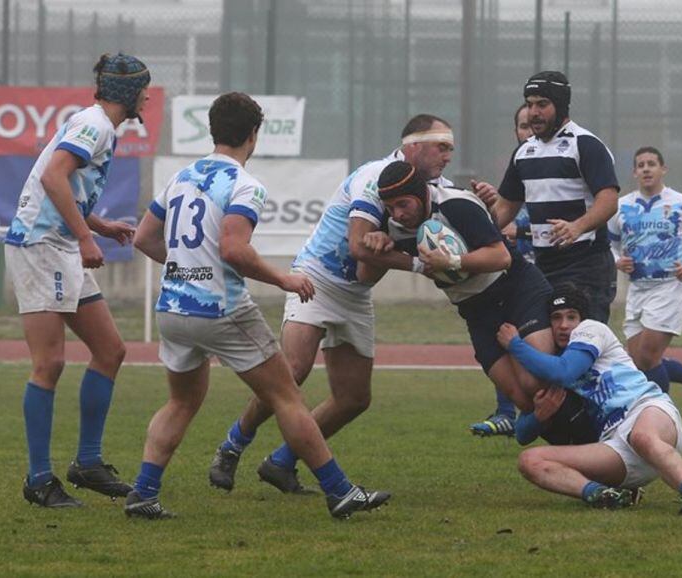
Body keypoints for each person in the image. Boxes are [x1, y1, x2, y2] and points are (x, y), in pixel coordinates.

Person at [127, 92, 389, 519]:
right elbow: (234, 249)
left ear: (213, 130)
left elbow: (143, 238)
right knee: (287, 397)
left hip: (173, 308)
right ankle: (340, 492)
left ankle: (143, 493)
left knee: (181, 402)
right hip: (220, 309)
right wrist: (283, 278)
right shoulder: (244, 184)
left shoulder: (181, 178)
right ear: (253, 134)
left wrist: (187, 267)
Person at [207, 115, 498, 494]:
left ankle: (281, 462)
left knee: (354, 398)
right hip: (316, 278)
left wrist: (490, 207)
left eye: (451, 149)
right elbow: (360, 245)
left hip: (356, 293)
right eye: (441, 147)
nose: (448, 156)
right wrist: (417, 263)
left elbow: (460, 236)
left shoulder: (435, 190)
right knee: (292, 371)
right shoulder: (375, 177)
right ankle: (232, 446)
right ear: (413, 146)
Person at [4, 53, 149, 508]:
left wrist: (98, 225)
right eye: (144, 89)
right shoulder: (95, 124)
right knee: (49, 363)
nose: (147, 97)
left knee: (111, 350)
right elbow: (53, 176)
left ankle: (87, 463)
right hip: (41, 245)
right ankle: (39, 480)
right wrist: (87, 237)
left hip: (61, 244)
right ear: (129, 92)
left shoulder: (97, 124)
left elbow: (66, 185)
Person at [496, 283, 682, 515]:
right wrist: (538, 416)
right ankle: (603, 494)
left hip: (647, 410)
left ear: (582, 319)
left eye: (571, 316)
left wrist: (515, 345)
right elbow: (522, 435)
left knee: (642, 437)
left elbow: (563, 372)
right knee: (530, 460)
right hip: (615, 444)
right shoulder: (548, 361)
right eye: (556, 318)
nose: (564, 325)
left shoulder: (591, 330)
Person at [358, 160, 555, 414]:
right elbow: (364, 274)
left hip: (516, 288)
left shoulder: (457, 204)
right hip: (476, 310)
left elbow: (501, 257)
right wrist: (378, 245)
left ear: (421, 194)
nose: (397, 214)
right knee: (524, 401)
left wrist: (451, 261)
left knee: (535, 382)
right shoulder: (392, 224)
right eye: (390, 207)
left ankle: (587, 422)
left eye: (403, 204)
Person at [493, 71, 619, 323]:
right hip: (543, 264)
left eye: (542, 104)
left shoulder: (585, 145)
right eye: (529, 104)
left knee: (582, 339)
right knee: (538, 336)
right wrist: (472, 232)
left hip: (586, 263)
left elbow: (609, 201)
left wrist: (577, 227)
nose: (534, 112)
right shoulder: (524, 152)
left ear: (561, 105)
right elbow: (505, 208)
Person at [608, 146, 682, 417]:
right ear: (634, 172)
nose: (646, 168)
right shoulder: (620, 206)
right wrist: (617, 261)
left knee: (647, 356)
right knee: (638, 362)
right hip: (637, 289)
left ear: (663, 169)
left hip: (670, 287)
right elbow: (608, 245)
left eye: (652, 164)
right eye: (641, 165)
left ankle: (663, 418)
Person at [470, 103, 535, 438]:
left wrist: (520, 230)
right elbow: (497, 223)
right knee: (503, 336)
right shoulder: (515, 173)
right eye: (523, 126)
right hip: (512, 276)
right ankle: (506, 413)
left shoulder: (558, 168)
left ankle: (543, 414)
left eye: (534, 125)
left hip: (552, 273)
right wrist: (488, 205)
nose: (529, 131)